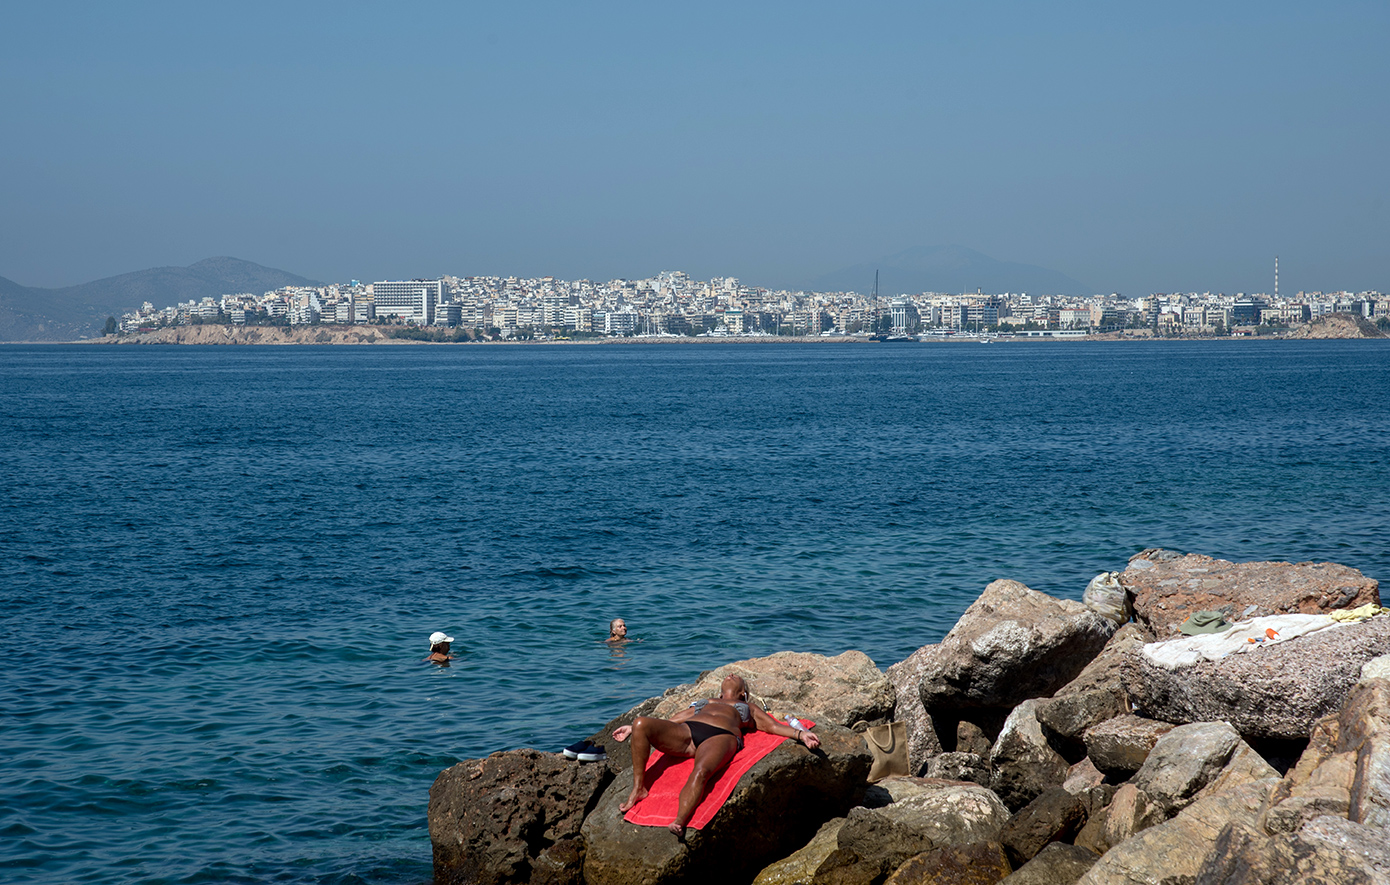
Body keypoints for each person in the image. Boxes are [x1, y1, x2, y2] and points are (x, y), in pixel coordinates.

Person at [611, 674, 820, 837]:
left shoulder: (747, 707)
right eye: (729, 675)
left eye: (737, 677)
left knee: (701, 771)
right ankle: (639, 789)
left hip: (721, 736)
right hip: (687, 732)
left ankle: (680, 820)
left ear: (743, 693)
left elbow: (773, 726)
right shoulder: (705, 701)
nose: (731, 674)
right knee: (641, 723)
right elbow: (676, 719)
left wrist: (801, 734)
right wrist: (634, 729)